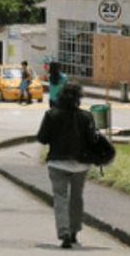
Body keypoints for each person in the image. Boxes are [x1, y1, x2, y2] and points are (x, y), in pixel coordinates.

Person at [36, 83, 95, 249]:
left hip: (57, 163)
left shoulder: (51, 115)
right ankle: (75, 230)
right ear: (79, 98)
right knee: (77, 197)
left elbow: (42, 138)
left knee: (60, 197)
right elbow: (92, 140)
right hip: (81, 165)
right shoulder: (86, 116)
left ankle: (64, 232)